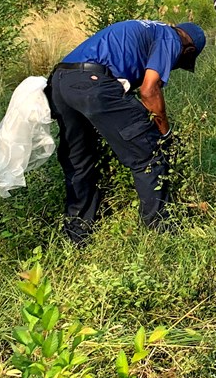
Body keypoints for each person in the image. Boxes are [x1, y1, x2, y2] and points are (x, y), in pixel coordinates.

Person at [47, 20, 206, 245]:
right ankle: (162, 234)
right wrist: (165, 134)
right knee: (149, 154)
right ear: (188, 49)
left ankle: (77, 236)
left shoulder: (148, 29)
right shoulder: (171, 38)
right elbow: (149, 90)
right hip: (94, 84)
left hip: (60, 82)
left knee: (79, 161)